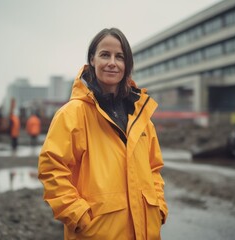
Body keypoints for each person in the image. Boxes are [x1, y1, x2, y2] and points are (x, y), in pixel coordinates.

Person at [38, 27, 168, 239]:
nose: (112, 62)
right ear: (92, 60)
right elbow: (51, 168)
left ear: (127, 65)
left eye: (120, 57)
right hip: (97, 233)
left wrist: (159, 206)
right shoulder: (72, 114)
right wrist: (77, 215)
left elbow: (154, 168)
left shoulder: (140, 116)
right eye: (105, 55)